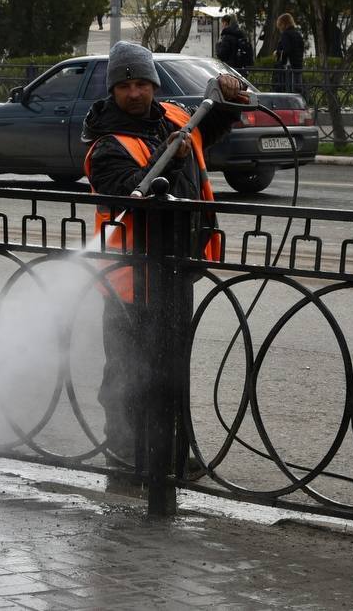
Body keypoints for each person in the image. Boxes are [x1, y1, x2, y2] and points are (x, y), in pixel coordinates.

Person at [82, 41, 247, 475]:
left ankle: (169, 457)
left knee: (170, 369)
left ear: (154, 84)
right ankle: (124, 455)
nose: (135, 93)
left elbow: (206, 129)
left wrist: (226, 98)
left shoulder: (173, 117)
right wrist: (168, 156)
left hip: (175, 269)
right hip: (129, 281)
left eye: (141, 83)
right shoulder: (107, 147)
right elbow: (134, 195)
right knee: (126, 372)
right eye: (125, 85)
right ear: (112, 91)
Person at [274, 13, 305, 94]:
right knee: (298, 89)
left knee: (289, 90)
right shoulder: (297, 34)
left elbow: (287, 50)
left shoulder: (286, 34)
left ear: (283, 24)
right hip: (298, 65)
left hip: (289, 66)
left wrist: (277, 52)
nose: (279, 27)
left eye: (280, 25)